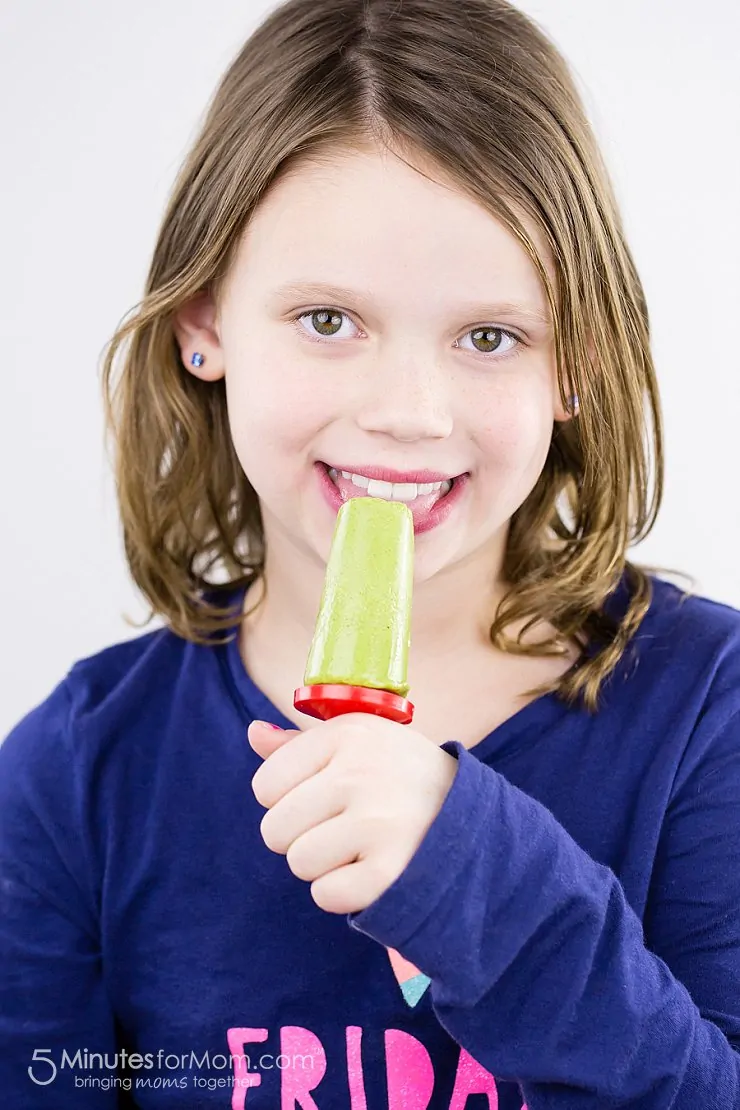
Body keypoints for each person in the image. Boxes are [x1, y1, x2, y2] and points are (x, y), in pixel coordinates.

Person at [1, 0, 739, 1105]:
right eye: (328, 320)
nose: (406, 413)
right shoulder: (76, 775)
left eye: (488, 335)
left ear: (572, 363)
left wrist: (471, 873)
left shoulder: (705, 714)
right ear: (203, 320)